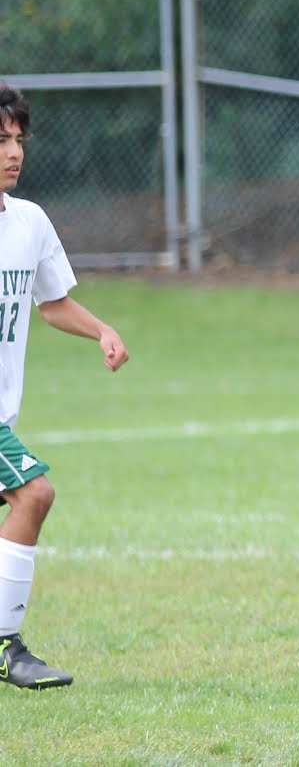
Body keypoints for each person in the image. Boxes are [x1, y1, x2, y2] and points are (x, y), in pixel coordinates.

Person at [0, 82, 130, 690]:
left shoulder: (28, 222)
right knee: (34, 494)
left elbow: (51, 303)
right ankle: (5, 647)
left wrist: (100, 328)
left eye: (18, 140)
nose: (13, 152)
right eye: (0, 140)